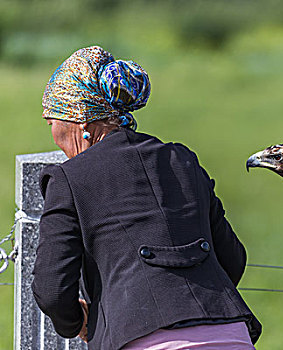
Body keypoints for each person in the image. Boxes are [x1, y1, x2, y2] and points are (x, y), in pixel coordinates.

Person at [31, 46, 261, 350]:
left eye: (52, 122)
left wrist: (79, 323)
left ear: (80, 123)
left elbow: (52, 289)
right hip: (230, 335)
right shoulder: (183, 160)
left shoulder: (69, 179)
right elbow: (232, 259)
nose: (54, 134)